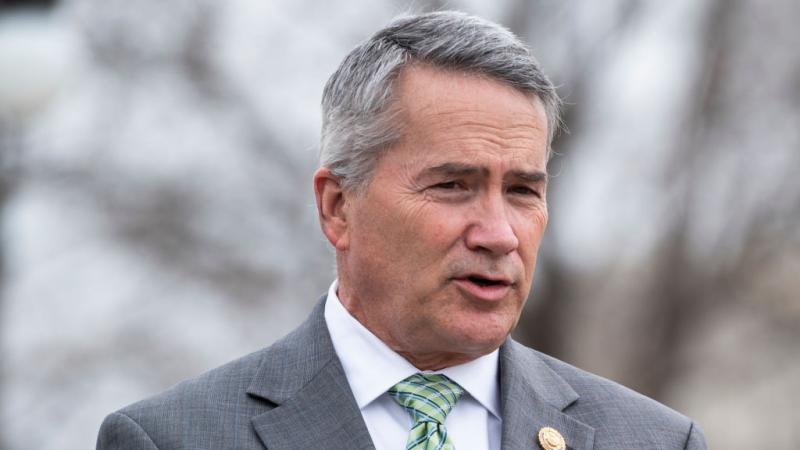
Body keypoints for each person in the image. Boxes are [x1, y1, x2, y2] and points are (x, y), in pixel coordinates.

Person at [97, 11, 706, 450]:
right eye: (452, 186)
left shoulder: (653, 440)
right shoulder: (171, 439)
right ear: (338, 206)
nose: (498, 234)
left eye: (523, 190)